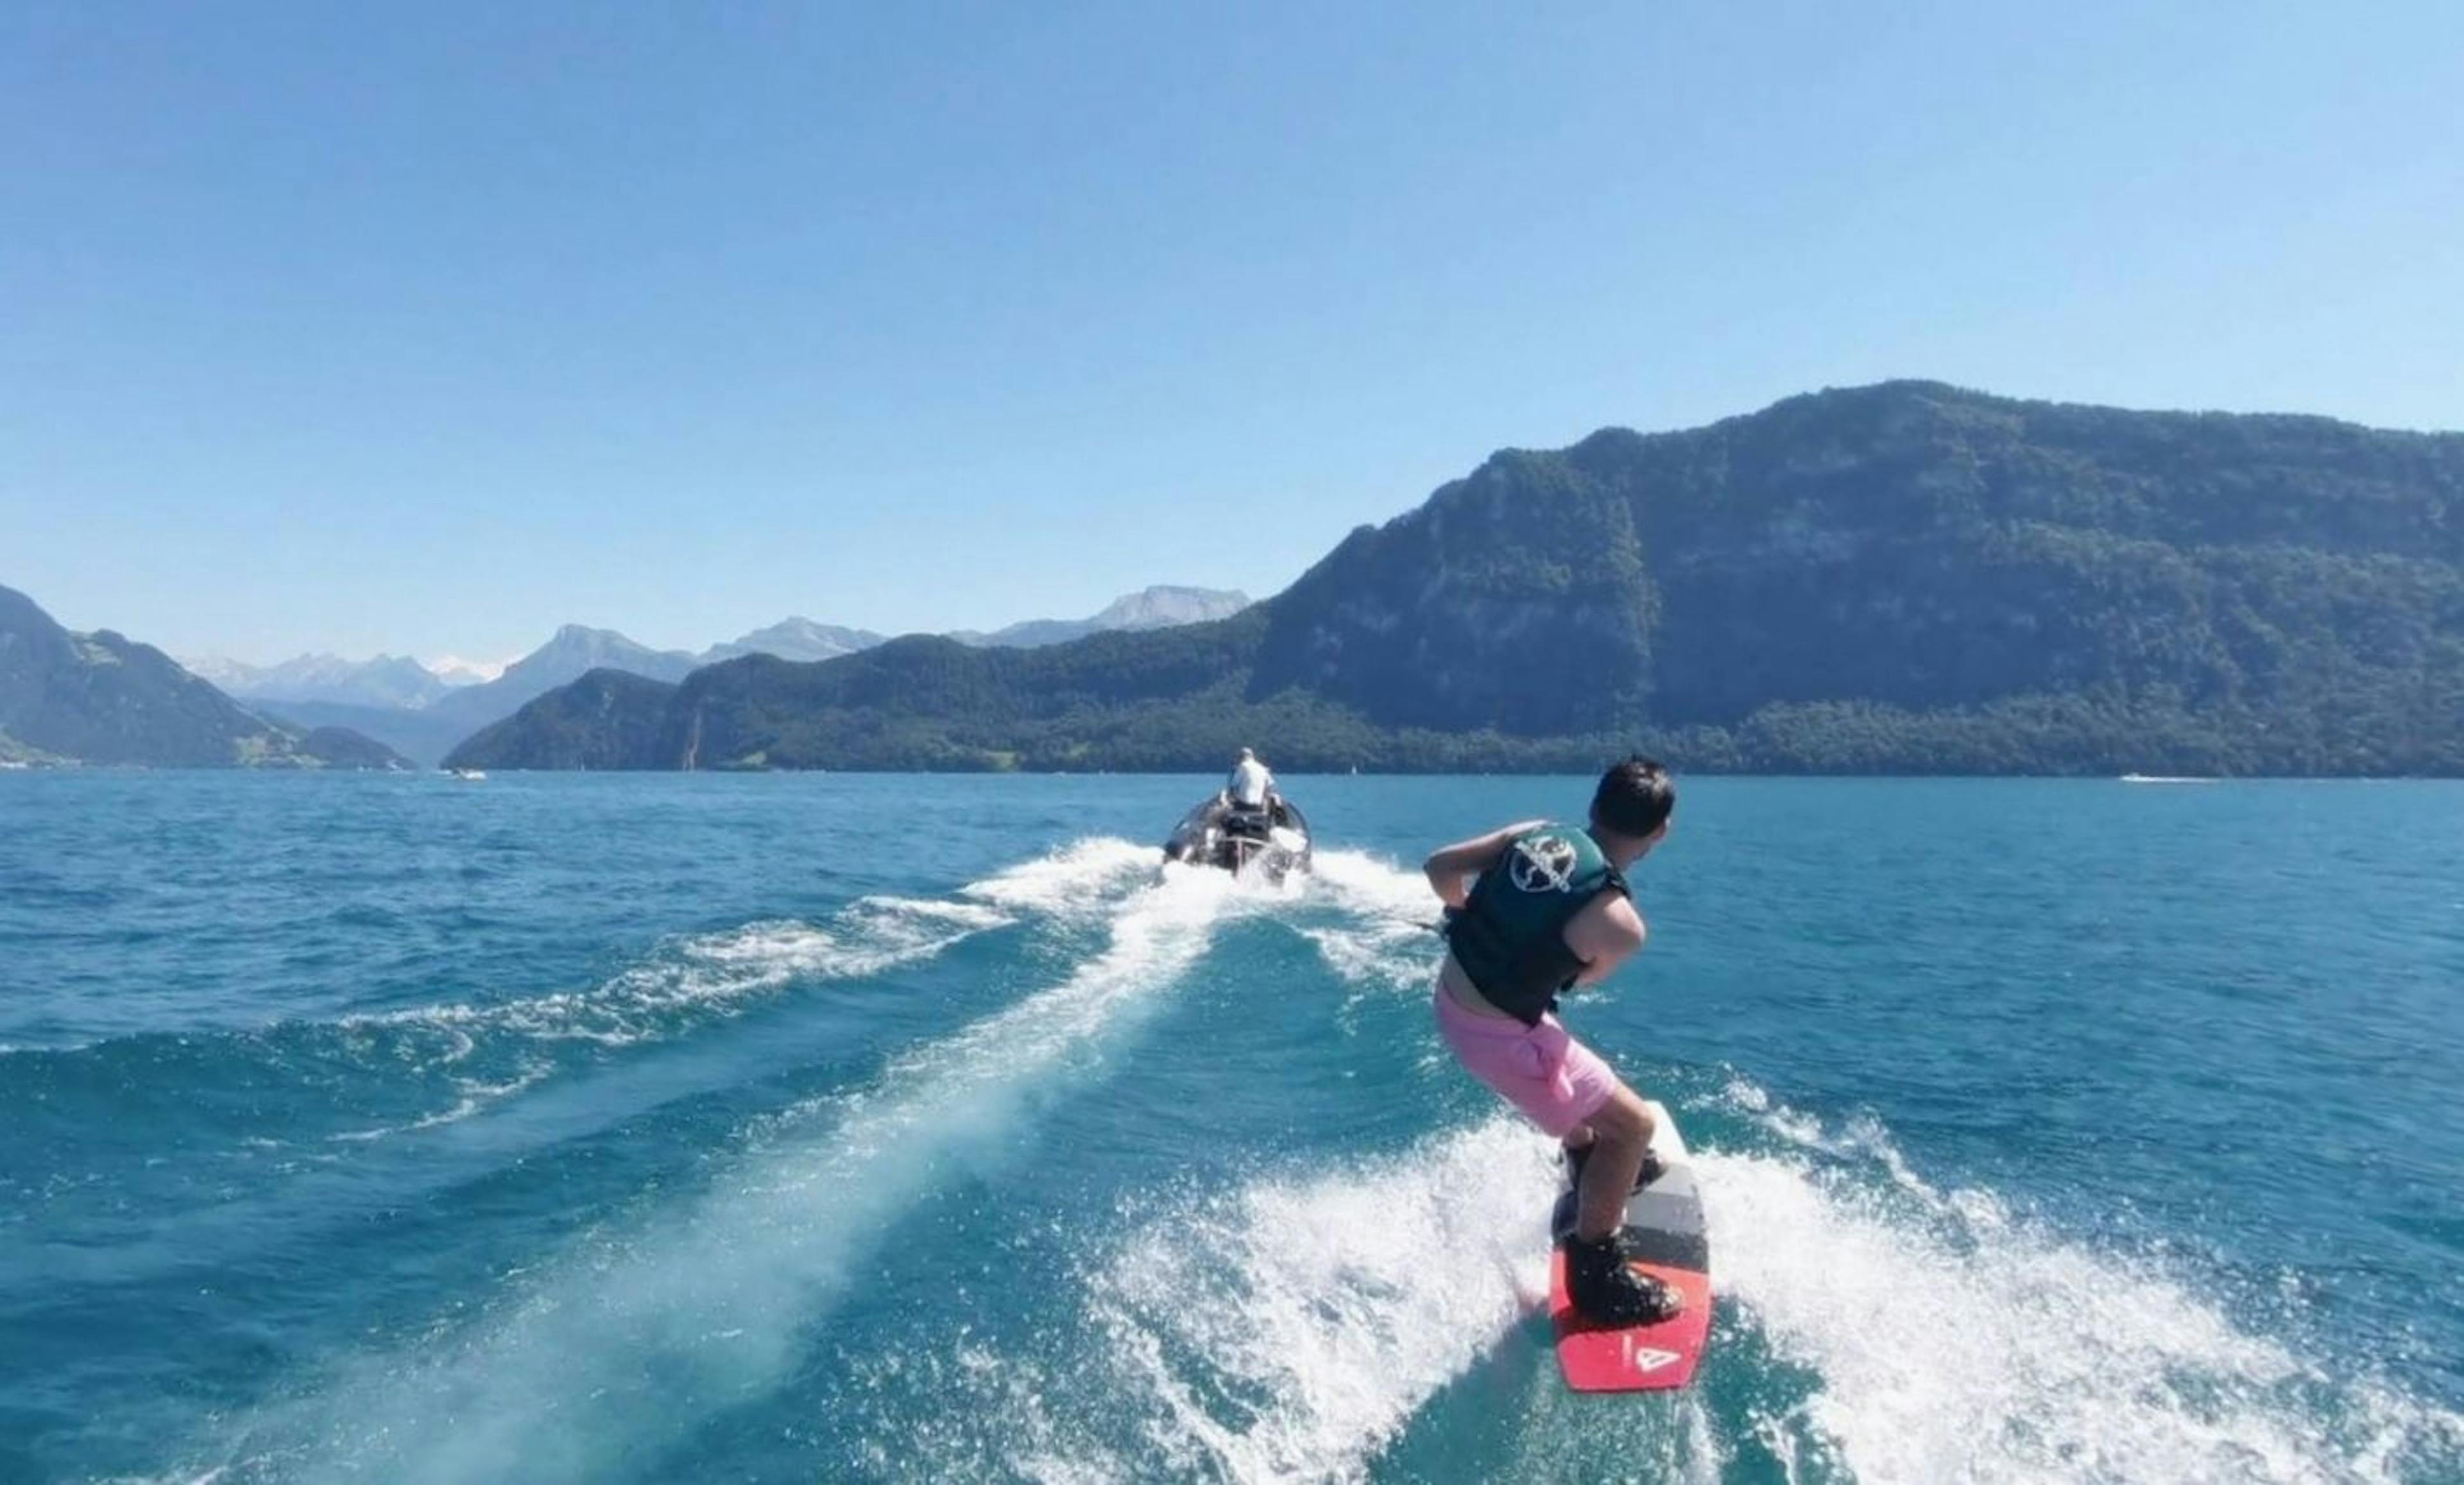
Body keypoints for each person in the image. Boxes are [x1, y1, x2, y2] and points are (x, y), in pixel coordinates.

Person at [1422, 755, 1681, 1325]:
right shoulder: (1621, 925)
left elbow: (1440, 867)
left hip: (1452, 1001)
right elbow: (1578, 978)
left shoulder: (1534, 834)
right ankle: (1597, 1276)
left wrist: (1469, 918)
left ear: (1594, 805)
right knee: (1635, 1126)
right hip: (1500, 1036)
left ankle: (1590, 1158)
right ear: (1660, 832)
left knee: (1582, 1086)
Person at [1225, 746, 1275, 811]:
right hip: (1258, 805)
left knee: (1227, 805)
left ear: (1241, 757)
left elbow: (1234, 785)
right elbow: (1271, 785)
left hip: (1244, 804)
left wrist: (1231, 796)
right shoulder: (1262, 768)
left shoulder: (1243, 766)